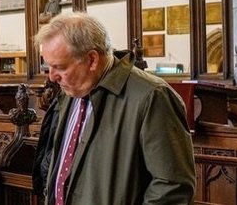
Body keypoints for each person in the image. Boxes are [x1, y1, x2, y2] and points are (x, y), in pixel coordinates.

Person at [34, 13, 194, 204]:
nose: (52, 77)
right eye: (49, 67)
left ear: (92, 59)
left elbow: (173, 187)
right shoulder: (70, 93)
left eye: (59, 67)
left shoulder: (152, 96)